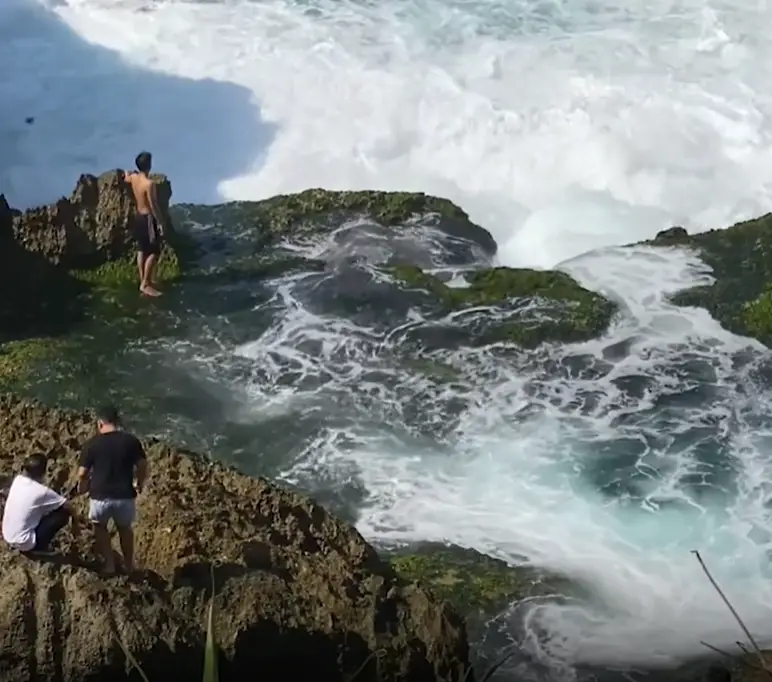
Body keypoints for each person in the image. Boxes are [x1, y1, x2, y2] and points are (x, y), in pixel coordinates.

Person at [77, 404, 148, 575]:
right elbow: (142, 464)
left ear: (100, 423)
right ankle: (129, 566)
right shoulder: (131, 441)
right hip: (124, 496)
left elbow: (82, 473)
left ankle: (109, 565)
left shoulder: (92, 444)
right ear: (117, 421)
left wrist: (83, 487)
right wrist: (139, 482)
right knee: (125, 529)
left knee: (100, 527)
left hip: (100, 497)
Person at [2, 453, 82, 555]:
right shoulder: (42, 491)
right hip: (25, 542)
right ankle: (40, 548)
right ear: (43, 472)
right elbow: (68, 505)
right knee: (62, 514)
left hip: (8, 536)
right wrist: (76, 523)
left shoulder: (17, 481)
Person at [124, 150, 165, 298]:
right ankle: (145, 284)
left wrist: (127, 173)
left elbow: (126, 178)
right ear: (149, 165)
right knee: (154, 251)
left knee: (141, 249)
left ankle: (143, 280)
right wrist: (160, 222)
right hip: (148, 218)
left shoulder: (134, 178)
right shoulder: (150, 184)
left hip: (138, 217)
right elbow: (153, 205)